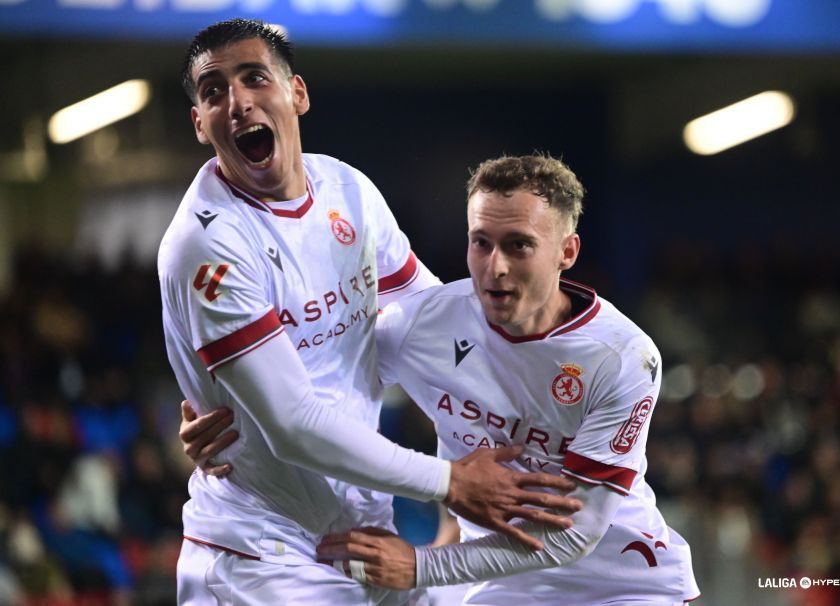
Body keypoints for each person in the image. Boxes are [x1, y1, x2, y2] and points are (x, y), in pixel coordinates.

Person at [158, 20, 580, 606]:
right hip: (261, 553)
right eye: (213, 92)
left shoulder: (347, 191)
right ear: (200, 124)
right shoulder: (208, 245)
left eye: (254, 78)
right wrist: (452, 483)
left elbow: (435, 328)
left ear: (297, 94)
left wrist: (547, 391)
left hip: (361, 534)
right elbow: (292, 424)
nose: (237, 102)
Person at [184, 154, 701, 604]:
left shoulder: (624, 358)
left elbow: (574, 534)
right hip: (499, 586)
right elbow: (319, 386)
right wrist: (229, 426)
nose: (494, 267)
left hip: (621, 583)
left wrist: (421, 566)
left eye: (519, 246)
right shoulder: (423, 324)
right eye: (482, 243)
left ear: (567, 252)